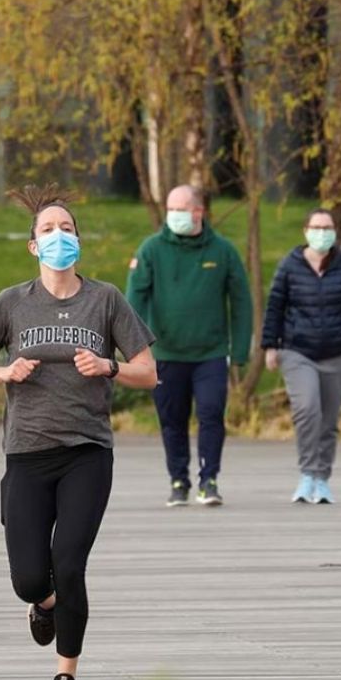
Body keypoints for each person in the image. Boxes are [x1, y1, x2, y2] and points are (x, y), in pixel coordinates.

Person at [0, 184, 157, 680]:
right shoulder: (13, 302)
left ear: (78, 241)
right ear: (33, 245)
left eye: (66, 228)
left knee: (68, 563)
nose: (58, 236)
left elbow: (148, 372)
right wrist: (4, 373)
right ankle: (43, 605)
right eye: (48, 229)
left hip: (87, 452)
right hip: (26, 452)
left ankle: (65, 673)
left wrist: (109, 366)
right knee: (29, 578)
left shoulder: (105, 299)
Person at [125, 184, 251, 507]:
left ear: (198, 211)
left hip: (211, 353)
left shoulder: (223, 251)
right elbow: (134, 300)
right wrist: (134, 348)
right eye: (170, 209)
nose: (174, 215)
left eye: (180, 209)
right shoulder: (151, 250)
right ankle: (178, 479)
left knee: (211, 413)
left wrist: (239, 351)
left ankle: (209, 480)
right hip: (166, 353)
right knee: (172, 419)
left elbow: (241, 302)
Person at [262, 209, 341, 504]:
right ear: (306, 231)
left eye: (327, 228)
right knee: (307, 409)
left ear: (335, 232)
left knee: (328, 419)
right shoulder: (290, 265)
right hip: (297, 350)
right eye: (317, 227)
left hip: (336, 352)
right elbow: (275, 306)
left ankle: (322, 478)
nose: (322, 233)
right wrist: (269, 345)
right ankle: (307, 473)